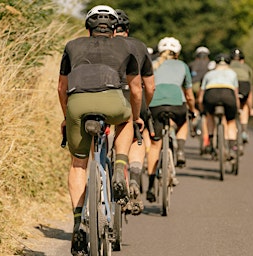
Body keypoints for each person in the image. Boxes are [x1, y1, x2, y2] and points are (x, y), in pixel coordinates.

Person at [57, 5, 143, 255]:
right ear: (115, 30)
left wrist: (66, 117)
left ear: (88, 28)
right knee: (126, 121)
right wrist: (136, 118)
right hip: (112, 101)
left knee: (78, 164)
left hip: (78, 105)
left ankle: (77, 222)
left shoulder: (72, 45)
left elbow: (61, 88)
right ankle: (119, 168)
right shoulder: (126, 47)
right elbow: (136, 90)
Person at [145, 37, 197, 202]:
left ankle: (151, 185)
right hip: (177, 104)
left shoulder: (153, 65)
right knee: (183, 123)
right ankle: (180, 151)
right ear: (178, 52)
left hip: (155, 105)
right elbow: (189, 94)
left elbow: (147, 87)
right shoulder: (183, 66)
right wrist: (193, 110)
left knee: (155, 144)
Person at [115, 9, 155, 215]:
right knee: (137, 135)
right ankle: (135, 178)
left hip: (107, 97)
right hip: (132, 98)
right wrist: (143, 108)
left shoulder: (103, 46)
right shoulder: (139, 46)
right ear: (127, 31)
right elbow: (149, 86)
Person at [198, 53, 240, 157]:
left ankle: (211, 143)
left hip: (211, 94)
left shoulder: (208, 74)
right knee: (230, 121)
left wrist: (202, 110)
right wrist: (237, 109)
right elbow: (235, 95)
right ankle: (232, 148)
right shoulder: (233, 74)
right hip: (228, 95)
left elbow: (200, 97)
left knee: (209, 117)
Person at [230, 48, 253, 144]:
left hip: (231, 88)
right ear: (242, 60)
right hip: (244, 86)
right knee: (244, 105)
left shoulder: (228, 66)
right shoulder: (247, 68)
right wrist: (251, 108)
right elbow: (250, 90)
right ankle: (244, 131)